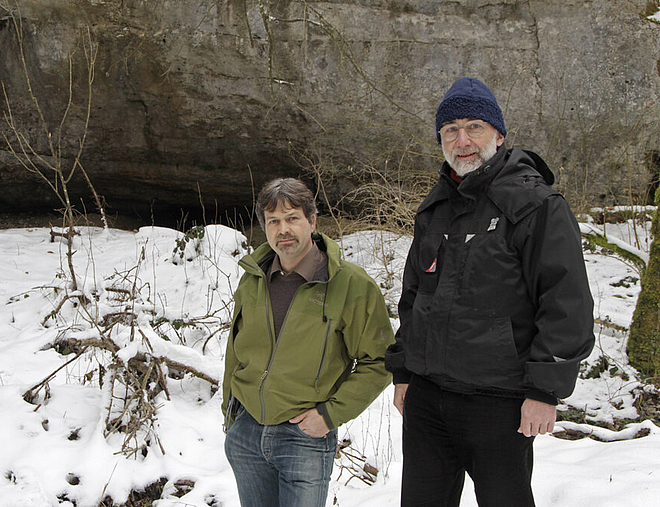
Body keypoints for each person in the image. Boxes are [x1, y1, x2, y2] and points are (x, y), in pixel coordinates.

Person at [385, 77, 595, 506]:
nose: (462, 141)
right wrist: (404, 372)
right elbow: (414, 296)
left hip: (500, 404)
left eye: (474, 127)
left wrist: (544, 390)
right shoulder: (436, 207)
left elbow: (566, 302)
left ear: (498, 135)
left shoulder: (535, 205)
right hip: (428, 399)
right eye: (450, 130)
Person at [222, 177, 394, 507]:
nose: (282, 230)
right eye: (273, 221)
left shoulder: (350, 284)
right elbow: (235, 349)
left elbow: (379, 360)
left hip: (304, 437)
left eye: (292, 218)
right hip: (246, 432)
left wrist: (329, 415)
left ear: (312, 222)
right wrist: (232, 414)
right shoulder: (252, 278)